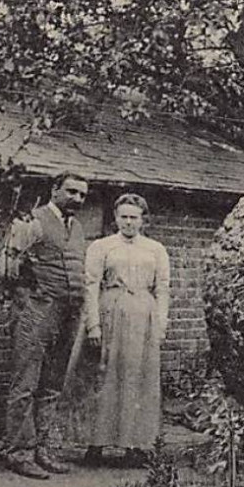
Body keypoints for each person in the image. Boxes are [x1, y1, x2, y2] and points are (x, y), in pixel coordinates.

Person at [0, 173, 89, 478]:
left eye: (82, 194)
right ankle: (19, 452)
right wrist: (26, 301)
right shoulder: (32, 222)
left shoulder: (76, 227)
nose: (77, 198)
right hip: (39, 310)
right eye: (71, 191)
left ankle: (43, 449)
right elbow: (9, 267)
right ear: (55, 190)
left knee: (52, 383)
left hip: (70, 312)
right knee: (25, 381)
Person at [81, 194, 171, 466]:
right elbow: (91, 284)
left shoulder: (156, 249)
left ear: (143, 220)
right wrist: (93, 324)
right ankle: (96, 443)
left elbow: (163, 288)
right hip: (112, 311)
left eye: (134, 217)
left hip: (144, 314)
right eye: (124, 217)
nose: (129, 222)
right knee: (106, 375)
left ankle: (136, 444)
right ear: (115, 218)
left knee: (139, 377)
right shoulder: (102, 246)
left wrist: (161, 324)